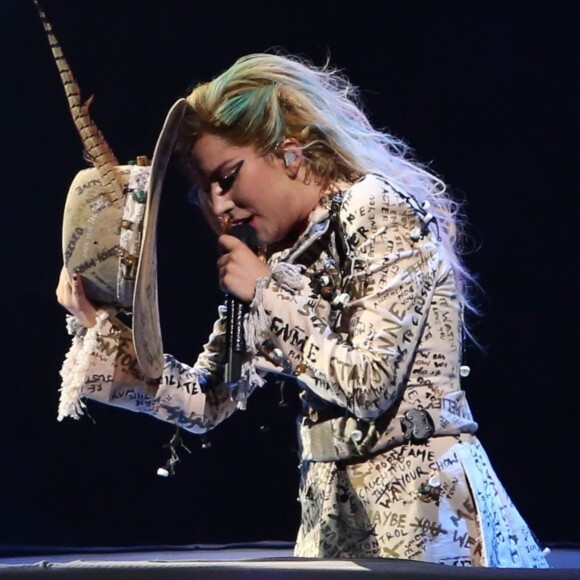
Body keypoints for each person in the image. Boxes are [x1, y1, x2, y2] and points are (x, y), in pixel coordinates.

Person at [56, 53, 548, 567]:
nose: (220, 207)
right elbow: (206, 403)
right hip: (331, 521)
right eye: (205, 191)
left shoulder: (377, 207)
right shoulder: (270, 259)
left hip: (425, 515)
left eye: (227, 177)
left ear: (288, 151)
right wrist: (101, 325)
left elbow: (372, 385)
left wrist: (266, 294)